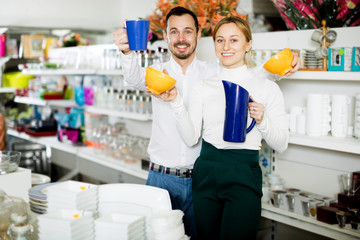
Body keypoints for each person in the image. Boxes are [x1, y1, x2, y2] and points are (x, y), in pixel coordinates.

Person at [113, 7, 298, 239]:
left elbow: (247, 74)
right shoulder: (155, 73)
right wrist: (126, 52)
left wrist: (284, 65)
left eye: (188, 31)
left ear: (199, 36)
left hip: (197, 176)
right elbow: (132, 77)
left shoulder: (213, 73)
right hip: (161, 175)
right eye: (175, 32)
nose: (181, 38)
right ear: (167, 36)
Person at [160, 16, 289, 239]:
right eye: (220, 40)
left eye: (234, 40)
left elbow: (282, 144)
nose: (226, 47)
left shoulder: (267, 88)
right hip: (206, 170)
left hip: (243, 171)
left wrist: (262, 120)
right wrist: (175, 101)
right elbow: (191, 138)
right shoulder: (204, 87)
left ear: (248, 44)